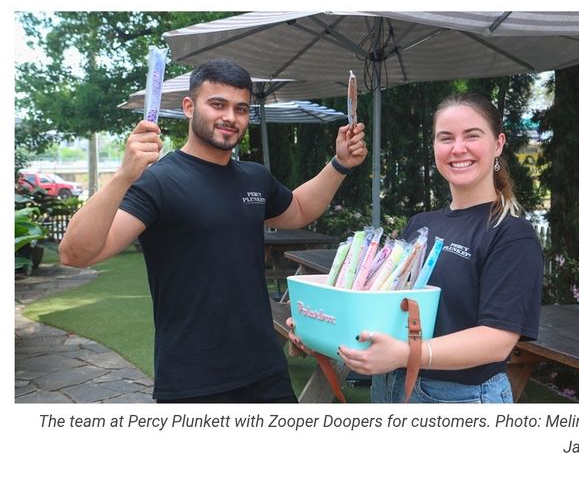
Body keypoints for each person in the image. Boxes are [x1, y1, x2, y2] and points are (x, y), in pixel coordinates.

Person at [59, 59, 367, 403]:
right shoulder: (159, 181)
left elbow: (298, 210)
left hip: (266, 369)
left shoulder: (254, 177)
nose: (230, 117)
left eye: (240, 109)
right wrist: (123, 176)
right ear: (189, 107)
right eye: (217, 104)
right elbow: (76, 253)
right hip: (194, 377)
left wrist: (339, 163)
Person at [337, 93, 543, 404]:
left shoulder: (512, 234)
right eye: (445, 138)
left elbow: (497, 340)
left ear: (498, 144)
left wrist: (410, 354)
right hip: (392, 386)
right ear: (434, 146)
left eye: (472, 136)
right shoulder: (421, 224)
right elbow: (394, 307)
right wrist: (322, 326)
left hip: (461, 398)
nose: (458, 148)